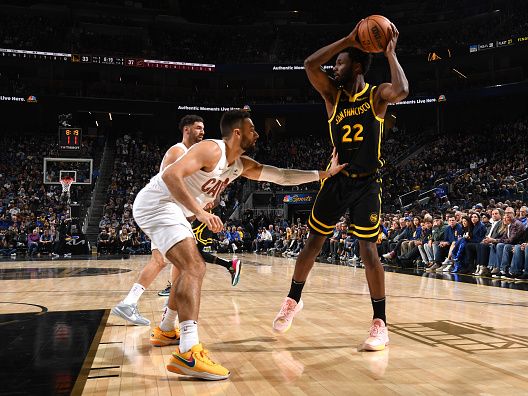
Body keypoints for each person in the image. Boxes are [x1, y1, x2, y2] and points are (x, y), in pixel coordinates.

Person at [133, 109, 346, 379]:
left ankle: (166, 329)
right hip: (158, 205)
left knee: (184, 270)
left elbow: (281, 175)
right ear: (237, 132)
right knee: (195, 268)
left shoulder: (240, 165)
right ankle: (188, 352)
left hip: (175, 211)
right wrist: (200, 212)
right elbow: (170, 176)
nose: (257, 133)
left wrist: (324, 174)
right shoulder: (212, 149)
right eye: (252, 129)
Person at [272, 19, 408, 351]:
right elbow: (309, 64)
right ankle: (293, 301)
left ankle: (380, 323)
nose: (335, 66)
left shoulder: (376, 97)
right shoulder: (332, 97)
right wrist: (347, 39)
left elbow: (402, 90)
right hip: (336, 180)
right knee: (312, 245)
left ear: (358, 66)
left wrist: (390, 53)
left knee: (368, 252)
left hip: (366, 184)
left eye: (342, 61)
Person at [112, 115, 241, 327]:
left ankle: (140, 305)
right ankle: (158, 314)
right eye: (198, 128)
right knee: (178, 263)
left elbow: (199, 191)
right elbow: (168, 183)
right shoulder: (178, 151)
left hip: (175, 214)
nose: (202, 132)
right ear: (186, 130)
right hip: (163, 211)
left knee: (168, 263)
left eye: (204, 128)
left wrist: (208, 200)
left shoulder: (197, 157)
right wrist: (199, 207)